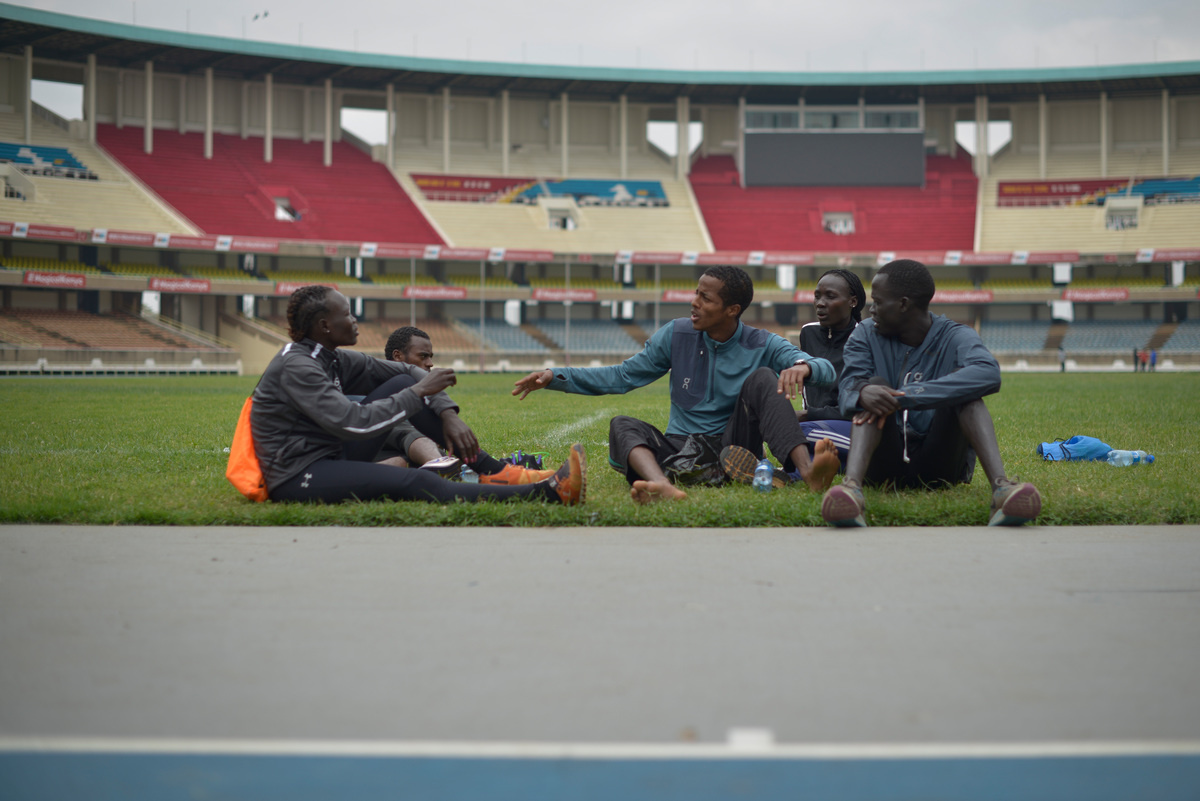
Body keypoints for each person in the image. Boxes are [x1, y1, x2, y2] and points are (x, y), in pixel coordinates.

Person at [511, 265, 841, 504]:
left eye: (705, 298)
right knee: (622, 424)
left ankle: (808, 473)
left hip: (734, 445)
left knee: (764, 378)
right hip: (680, 448)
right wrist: (556, 376)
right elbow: (623, 376)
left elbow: (825, 369)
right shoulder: (676, 333)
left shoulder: (761, 342)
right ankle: (661, 484)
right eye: (696, 293)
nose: (694, 302)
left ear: (732, 310)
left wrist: (803, 367)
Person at [250, 285, 584, 505]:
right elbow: (354, 423)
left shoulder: (331, 357)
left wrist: (448, 414)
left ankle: (496, 471)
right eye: (348, 314)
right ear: (325, 326)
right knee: (413, 481)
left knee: (401, 383)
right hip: (298, 474)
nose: (354, 320)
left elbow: (408, 373)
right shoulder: (298, 365)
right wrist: (418, 392)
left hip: (334, 453)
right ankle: (547, 494)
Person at [819, 260, 1041, 527]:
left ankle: (1002, 490)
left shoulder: (956, 335)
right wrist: (863, 392)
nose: (871, 309)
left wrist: (907, 396)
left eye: (878, 302)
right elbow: (847, 388)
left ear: (903, 304)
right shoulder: (865, 333)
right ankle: (852, 489)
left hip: (941, 466)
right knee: (872, 389)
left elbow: (988, 373)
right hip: (883, 465)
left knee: (968, 395)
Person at [380, 325, 553, 485]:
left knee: (403, 461)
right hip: (374, 454)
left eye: (430, 357)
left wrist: (446, 421)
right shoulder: (378, 390)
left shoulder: (417, 392)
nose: (430, 363)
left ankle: (472, 468)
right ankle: (448, 465)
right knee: (404, 440)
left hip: (396, 458)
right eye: (423, 356)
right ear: (398, 356)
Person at [793, 269, 867, 467]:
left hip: (853, 427)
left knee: (794, 433)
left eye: (830, 296)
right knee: (780, 429)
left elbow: (860, 408)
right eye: (817, 296)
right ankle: (796, 471)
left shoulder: (865, 339)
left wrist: (808, 415)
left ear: (852, 301)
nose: (820, 303)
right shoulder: (808, 332)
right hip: (815, 425)